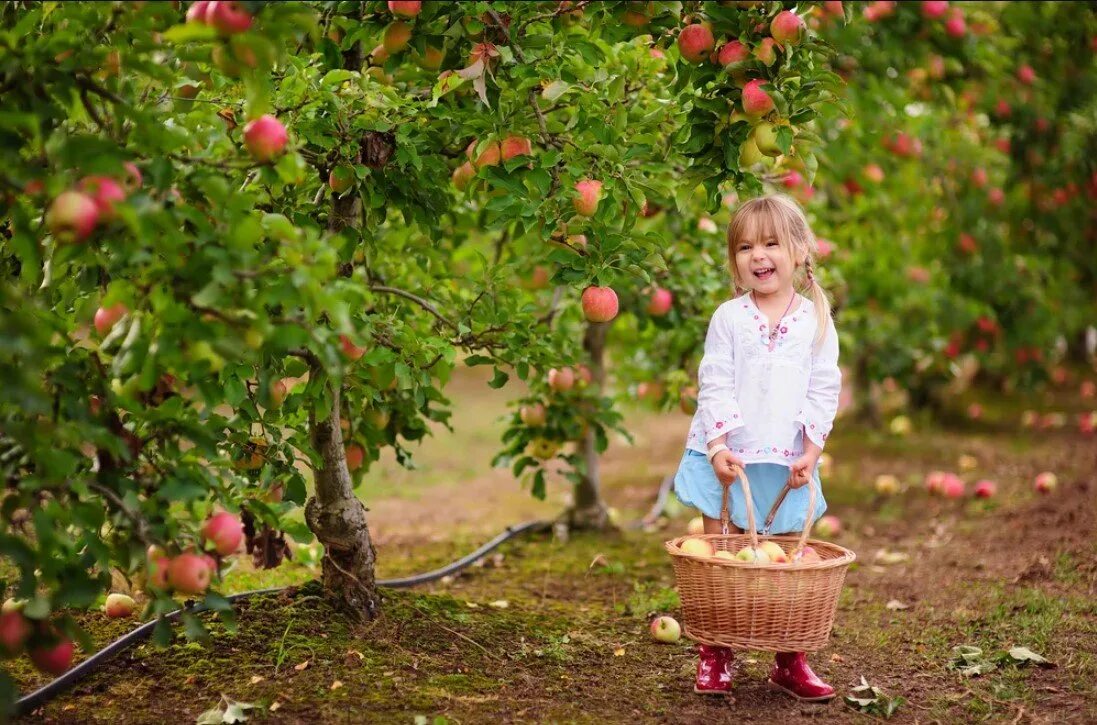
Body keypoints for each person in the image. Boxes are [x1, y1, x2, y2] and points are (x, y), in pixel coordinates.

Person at [673, 193, 841, 701]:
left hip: (786, 460)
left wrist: (812, 451)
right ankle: (716, 653)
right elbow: (716, 380)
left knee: (788, 567)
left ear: (800, 252)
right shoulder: (729, 316)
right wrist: (719, 444)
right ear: (734, 260)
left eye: (771, 243)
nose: (758, 255)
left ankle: (790, 660)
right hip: (727, 456)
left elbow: (823, 386)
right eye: (745, 246)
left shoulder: (816, 320)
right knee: (720, 562)